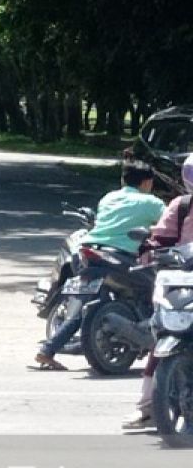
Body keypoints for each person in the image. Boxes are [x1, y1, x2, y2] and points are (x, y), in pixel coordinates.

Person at [33, 160, 165, 371]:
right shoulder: (152, 203)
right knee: (158, 289)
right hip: (120, 258)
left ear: (123, 180)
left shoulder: (108, 198)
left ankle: (47, 350)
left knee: (82, 309)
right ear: (148, 182)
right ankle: (155, 334)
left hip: (87, 254)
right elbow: (169, 227)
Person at [123, 157, 193, 429]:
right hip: (181, 280)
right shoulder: (181, 205)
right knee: (162, 336)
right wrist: (148, 247)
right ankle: (147, 407)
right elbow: (160, 238)